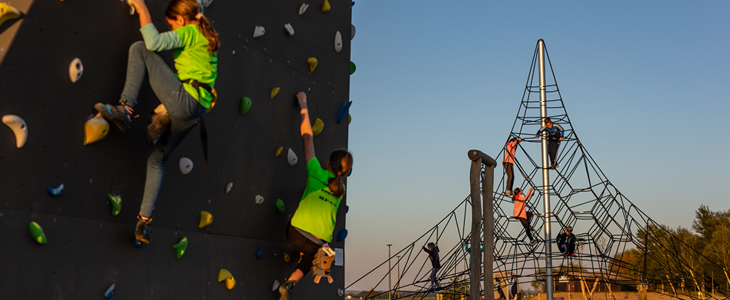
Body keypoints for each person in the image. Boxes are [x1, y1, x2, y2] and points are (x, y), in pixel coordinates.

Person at [93, 0, 219, 245]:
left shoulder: (189, 32)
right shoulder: (204, 33)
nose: (172, 30)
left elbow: (153, 43)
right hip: (194, 114)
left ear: (181, 21)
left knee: (140, 48)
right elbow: (198, 9)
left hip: (184, 100)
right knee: (156, 160)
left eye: (171, 25)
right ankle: (144, 223)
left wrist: (141, 8)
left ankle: (127, 110)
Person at [279, 92, 354, 300]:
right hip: (316, 243)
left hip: (294, 233)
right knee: (307, 261)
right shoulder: (341, 191)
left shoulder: (315, 171)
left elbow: (307, 137)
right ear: (346, 173)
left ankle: (300, 251)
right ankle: (288, 284)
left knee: (298, 230)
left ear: (328, 161)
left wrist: (303, 104)